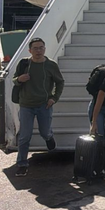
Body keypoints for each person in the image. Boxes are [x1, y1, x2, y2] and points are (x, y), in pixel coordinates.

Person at [13, 37, 64, 177]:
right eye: (35, 48)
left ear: (45, 49)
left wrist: (54, 98)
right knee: (24, 136)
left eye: (41, 48)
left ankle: (49, 137)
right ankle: (22, 164)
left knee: (44, 131)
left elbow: (60, 82)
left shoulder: (51, 65)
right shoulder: (24, 63)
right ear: (30, 50)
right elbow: (14, 79)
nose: (38, 51)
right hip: (26, 105)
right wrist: (19, 79)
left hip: (44, 105)